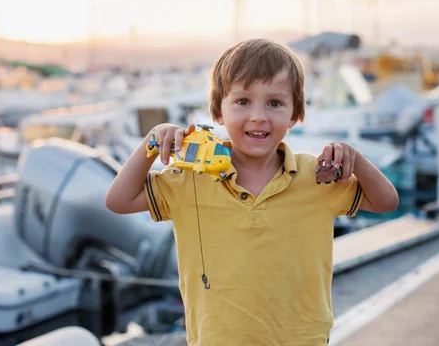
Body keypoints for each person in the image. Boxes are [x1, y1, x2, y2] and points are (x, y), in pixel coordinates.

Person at [105, 39, 399, 345]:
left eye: (274, 103)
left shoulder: (317, 177)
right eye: (243, 101)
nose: (258, 115)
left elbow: (386, 202)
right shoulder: (189, 179)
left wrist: (357, 160)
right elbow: (119, 200)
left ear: (295, 114)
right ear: (218, 112)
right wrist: (152, 143)